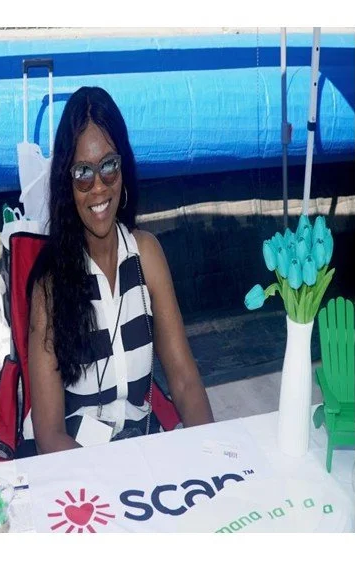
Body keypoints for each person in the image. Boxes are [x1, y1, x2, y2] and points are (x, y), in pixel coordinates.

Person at [28, 86, 214, 454]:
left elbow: (184, 380)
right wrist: (107, 487)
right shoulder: (51, 284)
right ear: (67, 182)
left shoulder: (147, 256)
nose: (98, 187)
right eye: (83, 173)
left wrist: (217, 455)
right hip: (76, 461)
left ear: (124, 169)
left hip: (141, 448)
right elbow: (48, 433)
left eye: (109, 166)